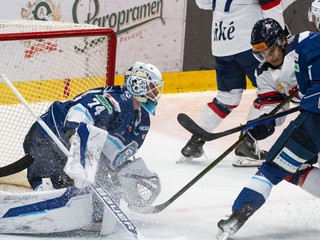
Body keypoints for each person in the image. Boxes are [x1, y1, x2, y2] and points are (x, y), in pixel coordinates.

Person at [216, 17, 320, 240]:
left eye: (270, 51)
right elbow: (272, 112)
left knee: (273, 168)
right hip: (311, 119)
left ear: (282, 41)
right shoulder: (264, 74)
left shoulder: (306, 42)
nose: (268, 58)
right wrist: (263, 125)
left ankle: (238, 214)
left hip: (314, 119)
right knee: (292, 169)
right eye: (261, 54)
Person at [23, 61, 163, 217]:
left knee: (84, 195)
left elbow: (113, 154)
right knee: (49, 189)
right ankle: (34, 207)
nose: (156, 92)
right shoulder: (115, 101)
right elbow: (78, 113)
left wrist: (122, 174)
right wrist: (78, 146)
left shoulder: (143, 121)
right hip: (48, 137)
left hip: (71, 151)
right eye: (152, 87)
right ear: (138, 84)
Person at [179, 0, 286, 167]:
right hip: (249, 44)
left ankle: (196, 140)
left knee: (228, 96)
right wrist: (280, 40)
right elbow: (272, 8)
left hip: (221, 42)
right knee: (272, 94)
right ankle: (247, 142)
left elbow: (202, 2)